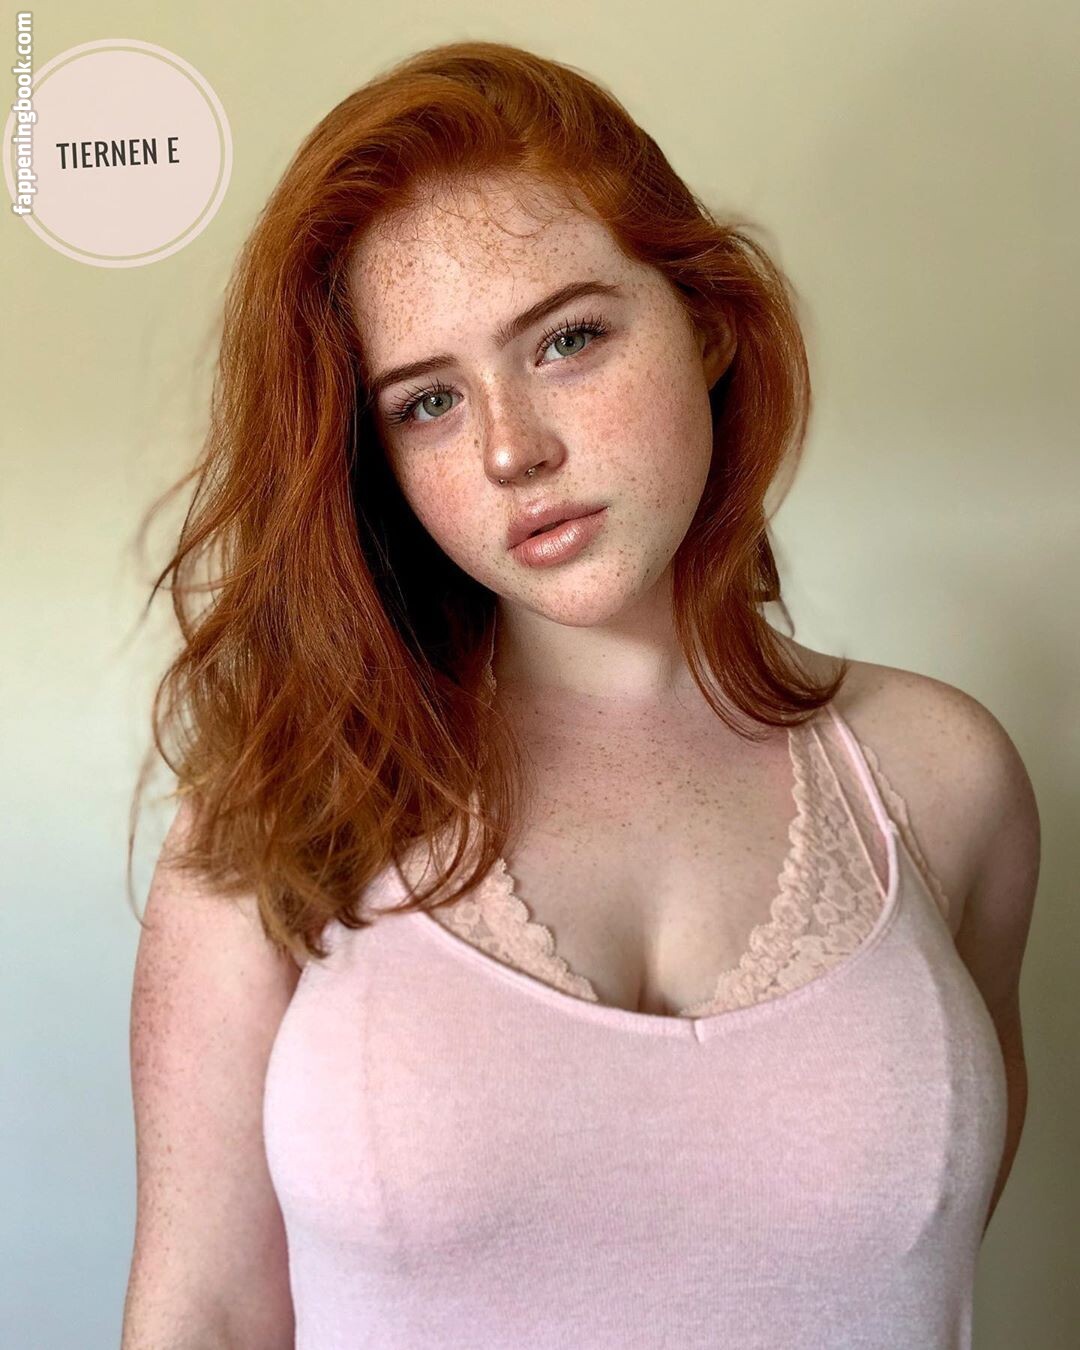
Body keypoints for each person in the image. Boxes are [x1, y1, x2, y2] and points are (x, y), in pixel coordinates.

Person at [121, 38, 1040, 1350]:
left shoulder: (948, 779)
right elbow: (200, 1315)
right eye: (427, 402)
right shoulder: (280, 813)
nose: (511, 449)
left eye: (566, 340)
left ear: (707, 320)